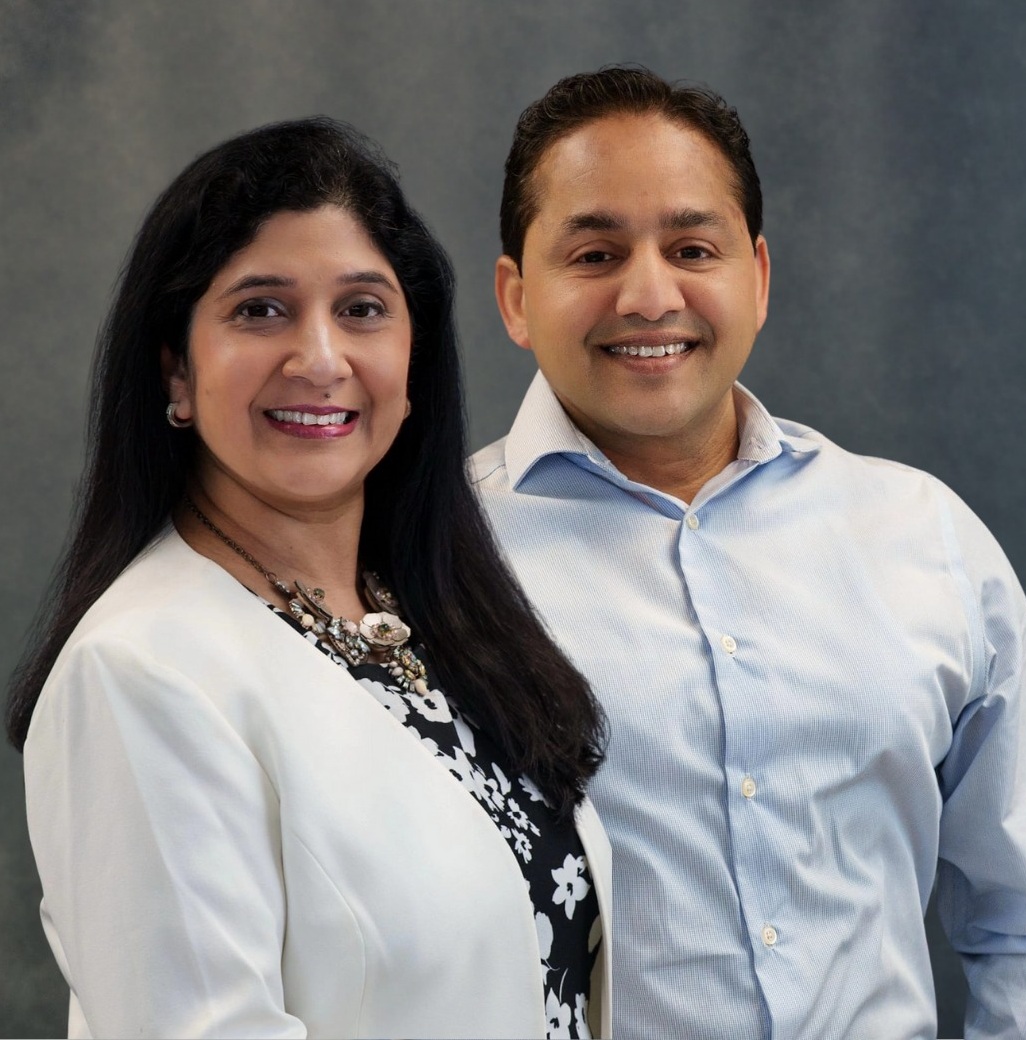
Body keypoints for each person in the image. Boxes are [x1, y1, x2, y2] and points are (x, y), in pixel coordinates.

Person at [470, 66, 1026, 1040]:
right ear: (514, 295)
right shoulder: (429, 568)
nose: (648, 292)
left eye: (690, 246)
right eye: (592, 252)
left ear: (756, 275)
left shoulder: (922, 535)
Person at [8, 116, 611, 1040]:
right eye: (260, 309)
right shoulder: (137, 675)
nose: (321, 360)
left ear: (412, 361)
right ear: (176, 368)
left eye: (362, 309)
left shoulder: (441, 616)